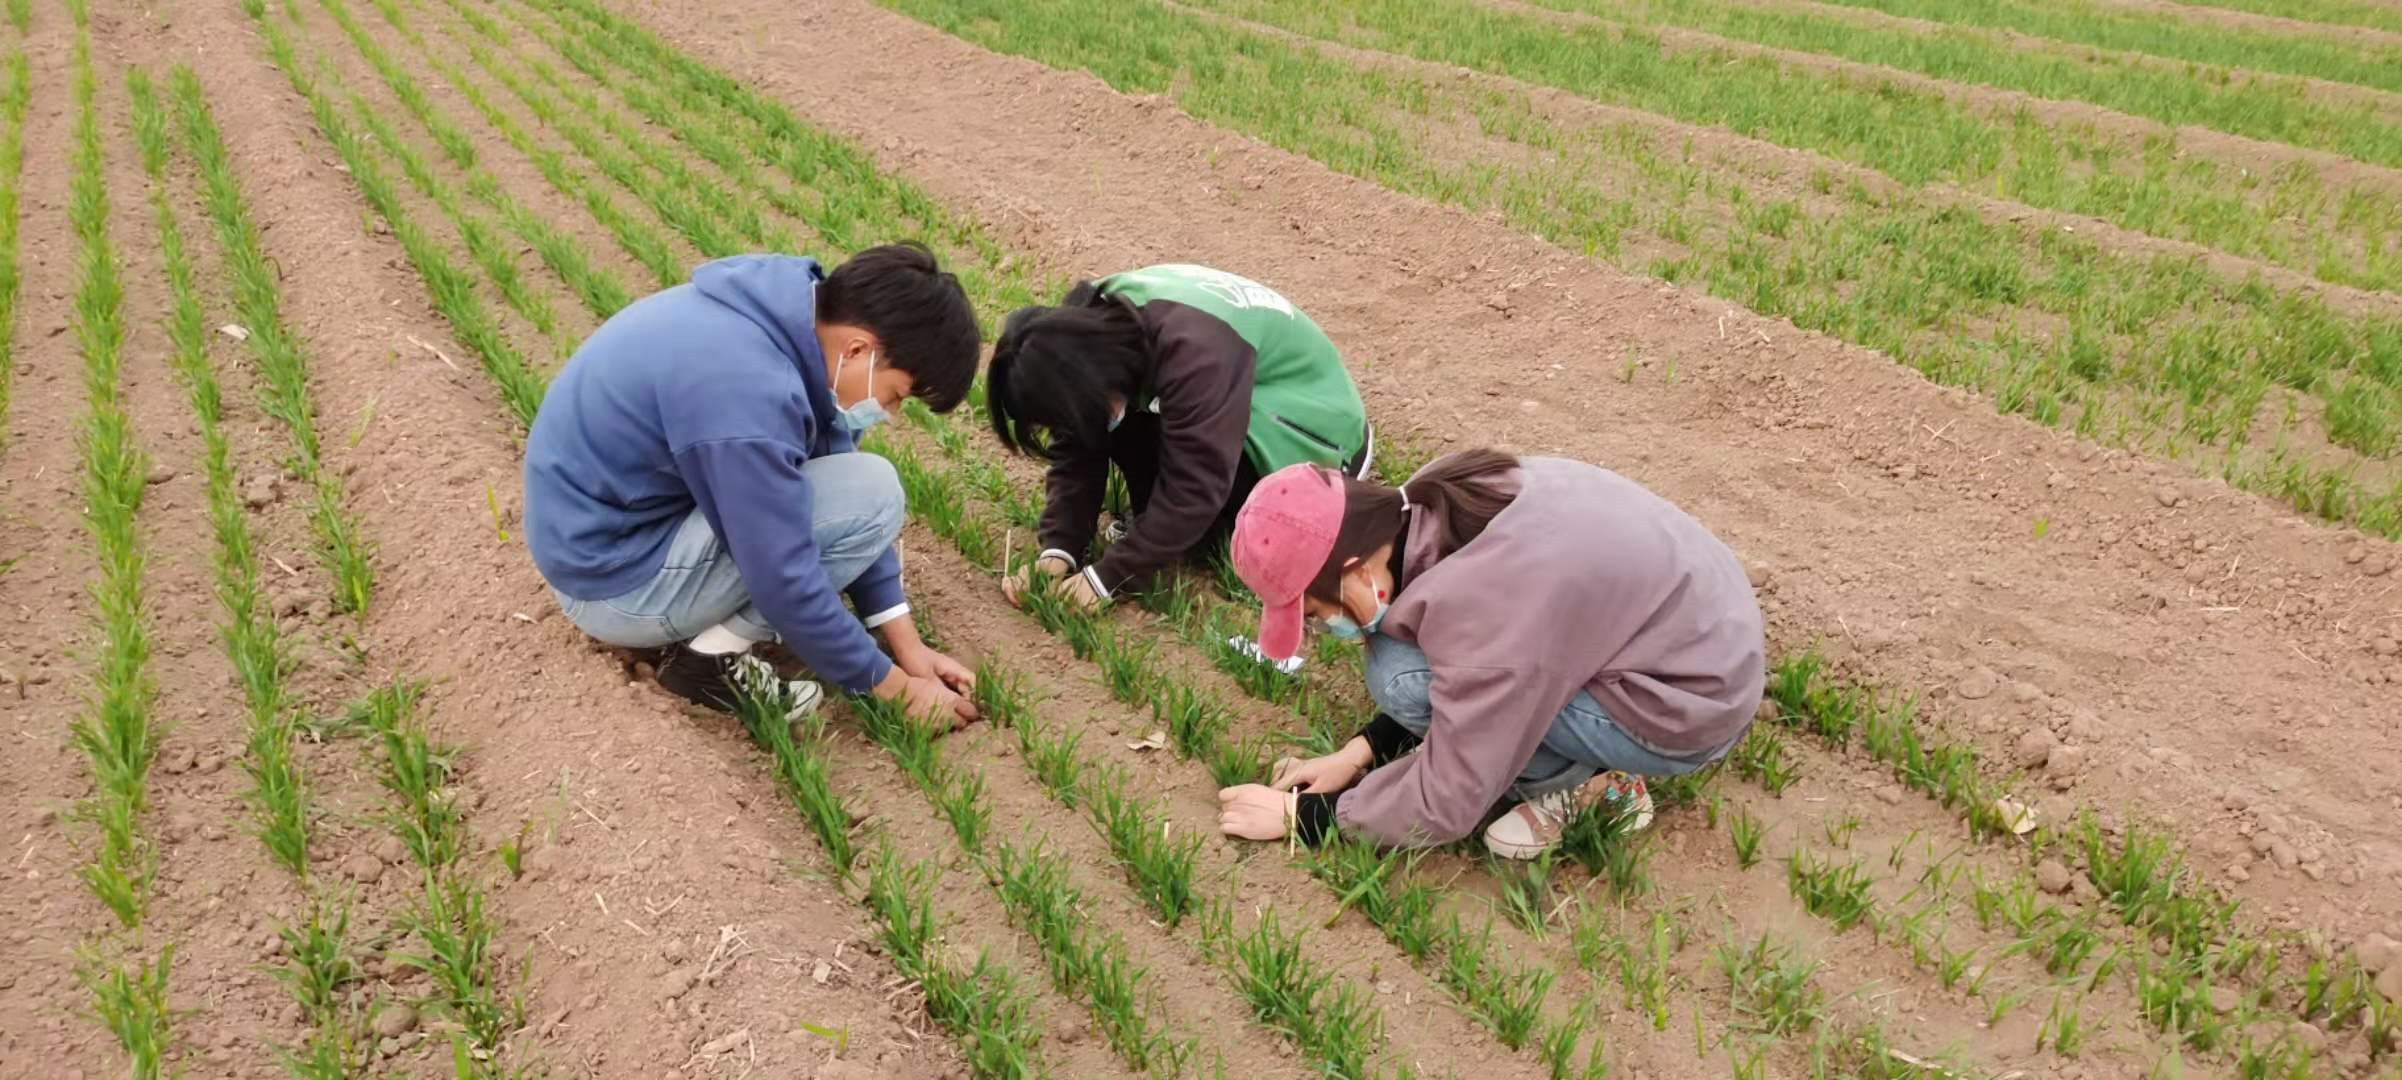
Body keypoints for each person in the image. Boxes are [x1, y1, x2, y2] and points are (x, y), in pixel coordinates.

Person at [1212, 450, 1764, 859]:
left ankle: (1594, 786)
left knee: (1397, 674)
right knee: (1412, 664)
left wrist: (1304, 817)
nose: (1320, 628)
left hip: (1687, 709)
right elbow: (1483, 670)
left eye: (1314, 612)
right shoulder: (1433, 498)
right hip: (1697, 634)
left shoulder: (1493, 608)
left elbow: (1446, 801)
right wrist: (1359, 753)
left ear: (1357, 572)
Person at [523, 245, 981, 724]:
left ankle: (708, 637)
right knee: (874, 490)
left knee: (862, 487)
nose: (888, 412)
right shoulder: (745, 394)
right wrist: (895, 690)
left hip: (612, 538)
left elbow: (834, 477)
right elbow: (782, 572)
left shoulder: (789, 323)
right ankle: (707, 665)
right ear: (859, 349)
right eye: (896, 395)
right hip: (615, 586)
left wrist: (907, 646)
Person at [987, 264, 1372, 611]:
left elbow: (1196, 486)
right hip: (1238, 399)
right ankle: (1169, 529)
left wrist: (1106, 579)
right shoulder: (1089, 333)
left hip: (1318, 439)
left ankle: (1208, 528)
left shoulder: (1196, 353)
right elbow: (1077, 445)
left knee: (1189, 509)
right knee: (1121, 430)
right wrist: (1058, 551)